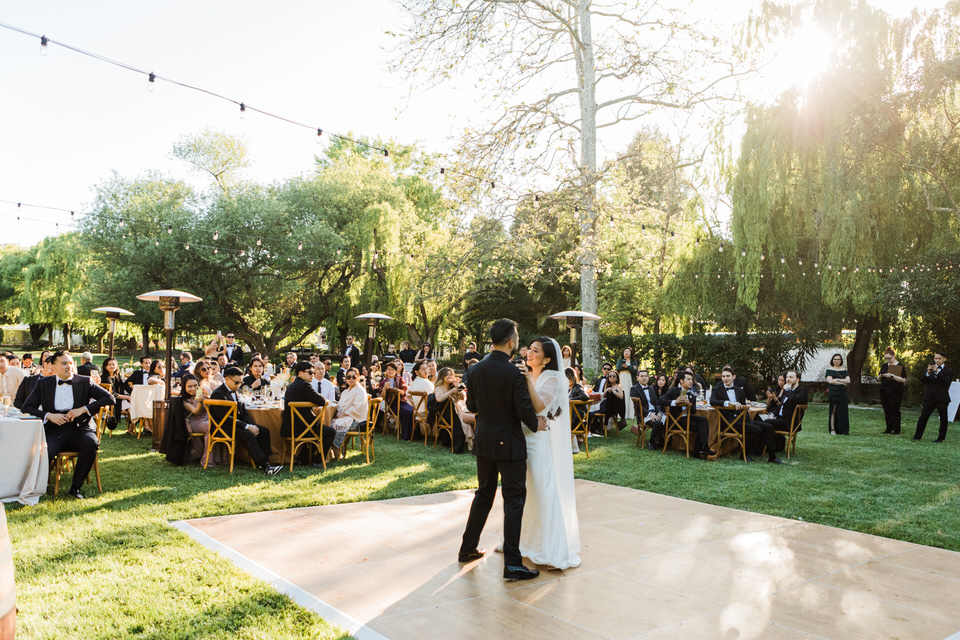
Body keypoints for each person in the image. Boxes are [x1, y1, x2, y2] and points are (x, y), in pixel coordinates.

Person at [458, 318, 541, 581]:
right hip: (510, 444)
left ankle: (467, 548)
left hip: (484, 440)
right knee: (514, 499)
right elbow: (524, 410)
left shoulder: (475, 370)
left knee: (483, 493)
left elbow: (472, 405)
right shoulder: (513, 373)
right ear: (511, 341)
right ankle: (513, 564)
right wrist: (535, 423)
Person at [518, 337, 581, 570]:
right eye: (529, 349)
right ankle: (519, 541)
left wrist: (526, 380)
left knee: (541, 490)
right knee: (520, 491)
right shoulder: (523, 374)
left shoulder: (553, 378)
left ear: (546, 359)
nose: (529, 353)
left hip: (537, 441)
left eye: (536, 351)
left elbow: (539, 406)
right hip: (519, 436)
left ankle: (549, 549)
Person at [22, 350, 115, 499]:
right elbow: (26, 407)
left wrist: (83, 409)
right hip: (54, 430)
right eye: (64, 363)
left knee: (91, 443)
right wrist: (49, 415)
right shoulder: (44, 383)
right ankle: (40, 485)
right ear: (54, 366)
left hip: (80, 428)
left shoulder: (85, 381)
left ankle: (75, 488)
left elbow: (110, 398)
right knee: (43, 452)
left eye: (71, 363)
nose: (69, 366)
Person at [210, 367, 282, 475]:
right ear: (227, 379)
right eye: (236, 382)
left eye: (241, 382)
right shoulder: (218, 394)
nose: (239, 385)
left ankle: (266, 462)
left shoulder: (238, 391)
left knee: (263, 431)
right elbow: (226, 418)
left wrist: (252, 426)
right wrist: (247, 427)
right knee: (248, 434)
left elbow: (244, 414)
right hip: (222, 427)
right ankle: (265, 467)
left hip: (236, 425)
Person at [711, 367, 783, 464]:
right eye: (723, 376)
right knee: (756, 429)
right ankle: (745, 454)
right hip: (728, 423)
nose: (725, 379)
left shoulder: (739, 391)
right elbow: (712, 401)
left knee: (768, 427)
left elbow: (744, 409)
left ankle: (772, 457)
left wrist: (749, 422)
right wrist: (729, 403)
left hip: (741, 420)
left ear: (733, 377)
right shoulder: (717, 389)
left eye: (728, 376)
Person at [282, 361, 336, 466]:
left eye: (313, 372)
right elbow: (322, 401)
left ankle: (304, 459)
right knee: (330, 432)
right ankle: (318, 460)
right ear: (300, 373)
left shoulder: (293, 385)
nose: (313, 375)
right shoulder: (304, 386)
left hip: (290, 427)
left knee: (316, 429)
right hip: (302, 428)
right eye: (310, 372)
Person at [658, 370, 712, 457]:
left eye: (691, 379)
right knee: (701, 427)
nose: (691, 382)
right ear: (681, 381)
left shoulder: (692, 395)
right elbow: (660, 400)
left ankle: (704, 446)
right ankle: (699, 451)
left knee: (703, 420)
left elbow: (693, 411)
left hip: (686, 418)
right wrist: (675, 402)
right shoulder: (673, 391)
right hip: (675, 420)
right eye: (688, 379)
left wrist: (689, 404)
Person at [759, 370, 808, 450]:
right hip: (780, 419)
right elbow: (781, 406)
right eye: (787, 377)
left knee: (765, 422)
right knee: (758, 418)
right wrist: (772, 414)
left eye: (791, 377)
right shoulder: (787, 391)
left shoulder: (801, 391)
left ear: (798, 379)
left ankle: (764, 448)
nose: (788, 379)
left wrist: (788, 390)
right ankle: (769, 446)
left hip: (789, 423)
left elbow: (794, 400)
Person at [913, 350, 954, 442]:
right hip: (929, 397)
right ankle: (917, 436)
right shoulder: (930, 368)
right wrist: (927, 373)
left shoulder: (948, 371)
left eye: (939, 358)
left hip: (942, 397)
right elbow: (923, 381)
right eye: (935, 358)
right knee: (923, 417)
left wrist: (937, 372)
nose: (937, 360)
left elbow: (946, 382)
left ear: (944, 359)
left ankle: (941, 438)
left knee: (943, 418)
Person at [329, 366, 369, 457]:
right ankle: (335, 450)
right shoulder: (345, 392)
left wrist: (344, 413)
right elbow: (340, 405)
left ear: (358, 378)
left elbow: (357, 408)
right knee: (329, 423)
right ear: (346, 379)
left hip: (357, 419)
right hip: (346, 417)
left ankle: (337, 450)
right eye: (348, 377)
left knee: (333, 425)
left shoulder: (360, 391)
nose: (351, 379)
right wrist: (339, 412)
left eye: (354, 377)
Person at [432, 367, 469, 452]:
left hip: (454, 411)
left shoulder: (452, 386)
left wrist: (458, 387)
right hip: (445, 414)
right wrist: (451, 392)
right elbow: (439, 399)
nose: (449, 376)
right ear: (442, 377)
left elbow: (463, 398)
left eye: (451, 374)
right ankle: (457, 448)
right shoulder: (439, 387)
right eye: (446, 375)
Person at [630, 369, 665, 450]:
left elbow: (656, 403)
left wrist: (659, 412)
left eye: (646, 376)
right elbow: (638, 406)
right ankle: (651, 442)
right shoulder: (634, 389)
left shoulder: (651, 388)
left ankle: (662, 440)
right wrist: (650, 414)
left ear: (648, 378)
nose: (644, 378)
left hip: (655, 413)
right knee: (658, 423)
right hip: (644, 415)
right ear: (638, 378)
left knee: (668, 420)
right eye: (642, 376)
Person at [378, 361, 414, 440]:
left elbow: (403, 392)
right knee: (406, 412)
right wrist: (385, 388)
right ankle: (406, 436)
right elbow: (382, 397)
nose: (390, 371)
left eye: (392, 370)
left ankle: (412, 435)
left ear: (395, 371)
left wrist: (395, 390)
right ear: (386, 371)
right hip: (392, 404)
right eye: (389, 369)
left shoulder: (400, 380)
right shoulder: (383, 382)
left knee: (411, 410)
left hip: (401, 402)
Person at [878, 348, 907, 434]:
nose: (888, 360)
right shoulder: (884, 366)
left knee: (894, 410)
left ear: (893, 356)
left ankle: (896, 429)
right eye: (886, 358)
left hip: (895, 391)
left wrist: (892, 376)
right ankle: (888, 428)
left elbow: (903, 380)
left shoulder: (900, 366)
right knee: (887, 410)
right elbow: (878, 378)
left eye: (889, 358)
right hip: (884, 390)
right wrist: (881, 376)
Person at [825, 353, 850, 435]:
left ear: (841, 361)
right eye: (835, 359)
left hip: (842, 393)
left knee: (842, 410)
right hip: (834, 392)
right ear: (832, 360)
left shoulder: (844, 371)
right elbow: (830, 381)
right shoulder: (829, 370)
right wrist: (842, 382)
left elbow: (848, 381)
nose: (836, 361)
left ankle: (842, 430)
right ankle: (833, 429)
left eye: (838, 359)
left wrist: (837, 380)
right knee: (833, 410)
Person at [616, 348, 639, 421]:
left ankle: (630, 414)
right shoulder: (620, 361)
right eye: (625, 351)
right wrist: (630, 367)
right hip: (622, 380)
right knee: (622, 394)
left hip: (630, 381)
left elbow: (635, 371)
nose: (626, 353)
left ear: (630, 353)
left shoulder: (633, 362)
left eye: (628, 351)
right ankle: (621, 414)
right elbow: (618, 368)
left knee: (629, 395)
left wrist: (628, 367)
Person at [409, 362, 434, 427]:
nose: (426, 371)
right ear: (417, 372)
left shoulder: (415, 381)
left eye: (426, 369)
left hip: (416, 411)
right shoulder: (426, 383)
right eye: (423, 369)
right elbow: (434, 398)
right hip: (425, 412)